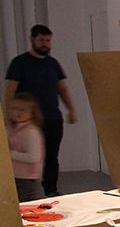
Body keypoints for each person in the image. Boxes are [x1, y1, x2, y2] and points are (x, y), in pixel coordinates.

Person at [5, 24, 77, 197]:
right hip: (27, 121)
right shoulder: (19, 63)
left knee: (52, 156)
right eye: (41, 40)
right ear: (32, 40)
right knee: (28, 155)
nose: (45, 44)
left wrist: (71, 109)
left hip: (52, 118)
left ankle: (50, 190)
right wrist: (7, 116)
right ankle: (28, 191)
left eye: (48, 40)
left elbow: (63, 88)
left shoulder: (53, 64)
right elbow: (9, 92)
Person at [5, 91, 45, 202]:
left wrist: (10, 153)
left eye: (23, 110)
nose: (18, 112)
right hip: (13, 178)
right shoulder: (10, 128)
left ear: (32, 113)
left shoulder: (31, 132)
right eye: (15, 109)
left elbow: (33, 157)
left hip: (28, 181)